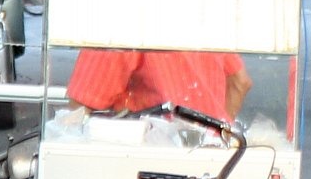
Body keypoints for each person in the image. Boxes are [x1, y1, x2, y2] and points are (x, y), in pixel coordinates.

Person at [66, 48, 251, 123]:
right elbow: (239, 83)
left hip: (145, 163)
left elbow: (81, 110)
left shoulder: (121, 18)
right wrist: (216, 132)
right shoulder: (203, 12)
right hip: (213, 162)